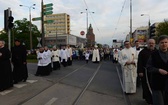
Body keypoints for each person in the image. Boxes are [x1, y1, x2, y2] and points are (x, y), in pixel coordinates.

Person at [146, 35, 168, 105]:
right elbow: (149, 67)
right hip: (157, 84)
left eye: (166, 42)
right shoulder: (154, 54)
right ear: (158, 44)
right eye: (162, 43)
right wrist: (158, 70)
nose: (164, 44)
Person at [137, 39, 156, 105]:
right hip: (145, 72)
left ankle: (154, 98)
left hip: (154, 72)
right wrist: (140, 71)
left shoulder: (157, 51)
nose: (151, 44)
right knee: (146, 86)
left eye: (152, 43)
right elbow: (140, 62)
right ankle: (149, 100)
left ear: (155, 44)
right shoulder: (142, 52)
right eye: (150, 43)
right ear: (147, 44)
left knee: (154, 86)